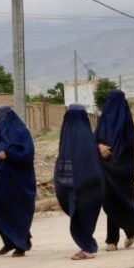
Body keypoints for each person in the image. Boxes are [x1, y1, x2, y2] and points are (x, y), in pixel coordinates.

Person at [0, 105, 35, 257]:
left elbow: (27, 154)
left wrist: (9, 154)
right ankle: (9, 241)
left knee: (17, 213)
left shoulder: (21, 133)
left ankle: (21, 245)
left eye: (1, 118)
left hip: (18, 182)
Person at [95, 89, 134, 251]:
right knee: (110, 201)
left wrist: (116, 154)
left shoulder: (126, 122)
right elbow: (94, 139)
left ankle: (127, 233)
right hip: (106, 169)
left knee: (124, 202)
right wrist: (99, 146)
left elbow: (130, 146)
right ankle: (113, 239)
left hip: (124, 170)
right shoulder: (102, 120)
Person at [55, 104, 104, 260]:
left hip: (84, 184)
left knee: (83, 214)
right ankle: (87, 246)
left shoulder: (75, 135)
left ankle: (87, 248)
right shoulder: (85, 135)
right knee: (81, 214)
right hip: (84, 183)